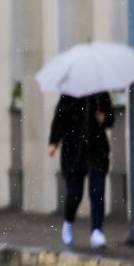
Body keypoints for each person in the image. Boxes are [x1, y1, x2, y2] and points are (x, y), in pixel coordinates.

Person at [48, 92, 114, 248]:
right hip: (74, 152)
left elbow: (110, 117)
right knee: (75, 194)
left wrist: (104, 119)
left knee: (97, 191)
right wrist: (54, 142)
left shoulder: (100, 94)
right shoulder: (69, 95)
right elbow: (59, 119)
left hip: (96, 150)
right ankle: (68, 221)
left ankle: (97, 230)